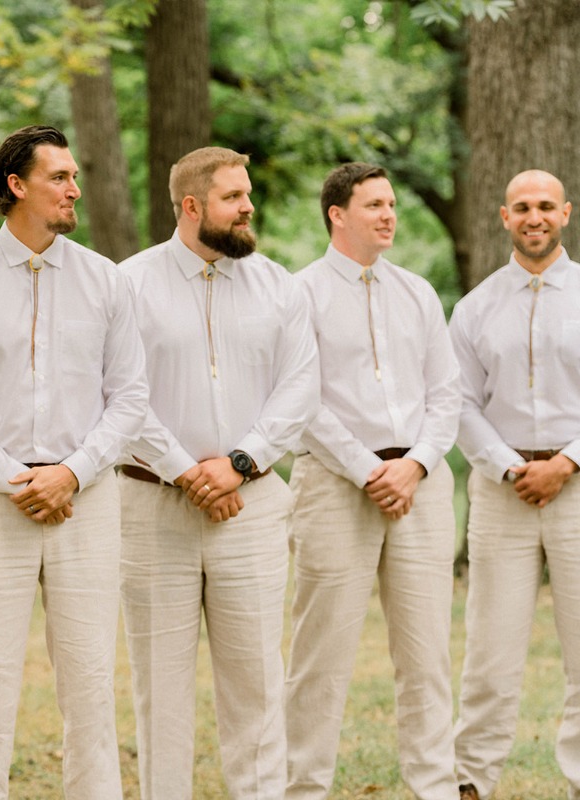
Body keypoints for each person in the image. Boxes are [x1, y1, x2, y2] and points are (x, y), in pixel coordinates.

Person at [0, 125, 148, 798]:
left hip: (89, 502)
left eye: (75, 177)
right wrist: (13, 477)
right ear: (17, 185)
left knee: (92, 686)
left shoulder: (106, 281)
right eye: (60, 177)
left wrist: (71, 472)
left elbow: (130, 398)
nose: (75, 188)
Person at [117, 146, 319, 799]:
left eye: (248, 193)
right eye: (235, 197)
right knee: (160, 688)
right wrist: (183, 470)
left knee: (257, 681)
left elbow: (300, 390)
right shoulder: (128, 284)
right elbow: (121, 392)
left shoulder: (280, 287)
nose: (248, 206)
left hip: (252, 508)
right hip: (150, 509)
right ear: (192, 206)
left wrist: (238, 463)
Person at [283, 163, 461, 800]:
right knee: (319, 656)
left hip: (421, 484)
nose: (389, 215)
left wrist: (413, 466)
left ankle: (435, 787)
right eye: (374, 205)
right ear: (337, 213)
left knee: (426, 654)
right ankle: (304, 788)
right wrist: (366, 469)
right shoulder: (297, 293)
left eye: (391, 204)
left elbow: (447, 395)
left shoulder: (416, 292)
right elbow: (302, 401)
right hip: (334, 485)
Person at [451, 169, 580, 800]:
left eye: (546, 207)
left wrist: (567, 463)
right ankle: (471, 780)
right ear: (505, 217)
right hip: (501, 491)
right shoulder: (475, 306)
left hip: (579, 486)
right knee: (490, 649)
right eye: (522, 207)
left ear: (566, 214)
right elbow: (458, 403)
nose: (535, 217)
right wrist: (507, 466)